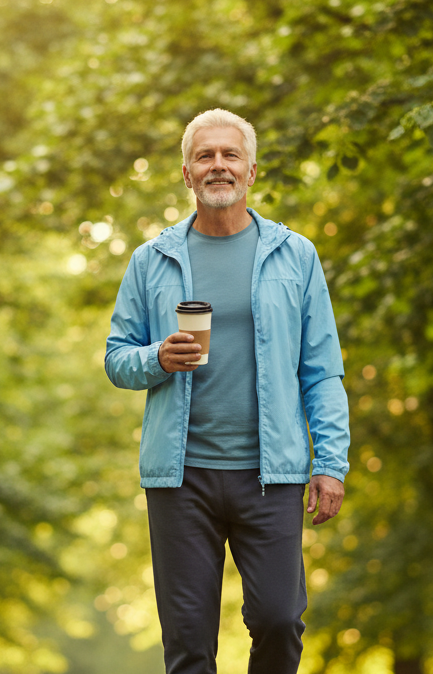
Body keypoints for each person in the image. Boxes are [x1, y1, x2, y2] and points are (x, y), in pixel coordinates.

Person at [104, 108, 350, 673]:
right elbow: (118, 359)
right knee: (189, 644)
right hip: (180, 476)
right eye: (205, 156)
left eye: (230, 154)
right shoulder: (151, 260)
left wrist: (330, 463)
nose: (219, 165)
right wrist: (157, 358)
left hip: (272, 475)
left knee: (280, 621)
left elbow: (322, 370)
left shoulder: (296, 255)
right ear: (187, 174)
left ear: (252, 170)